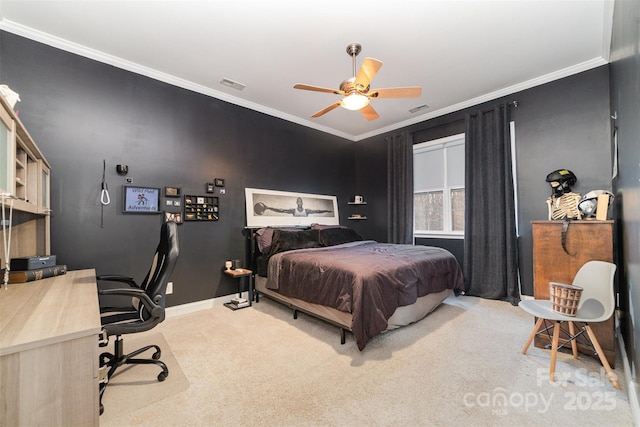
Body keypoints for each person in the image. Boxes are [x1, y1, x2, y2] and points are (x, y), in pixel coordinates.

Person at [254, 197, 333, 217]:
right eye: (298, 201)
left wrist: (327, 211)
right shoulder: (293, 211)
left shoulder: (307, 211)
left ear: (302, 202)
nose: (299, 202)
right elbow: (281, 210)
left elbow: (318, 211)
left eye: (300, 201)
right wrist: (268, 208)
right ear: (296, 202)